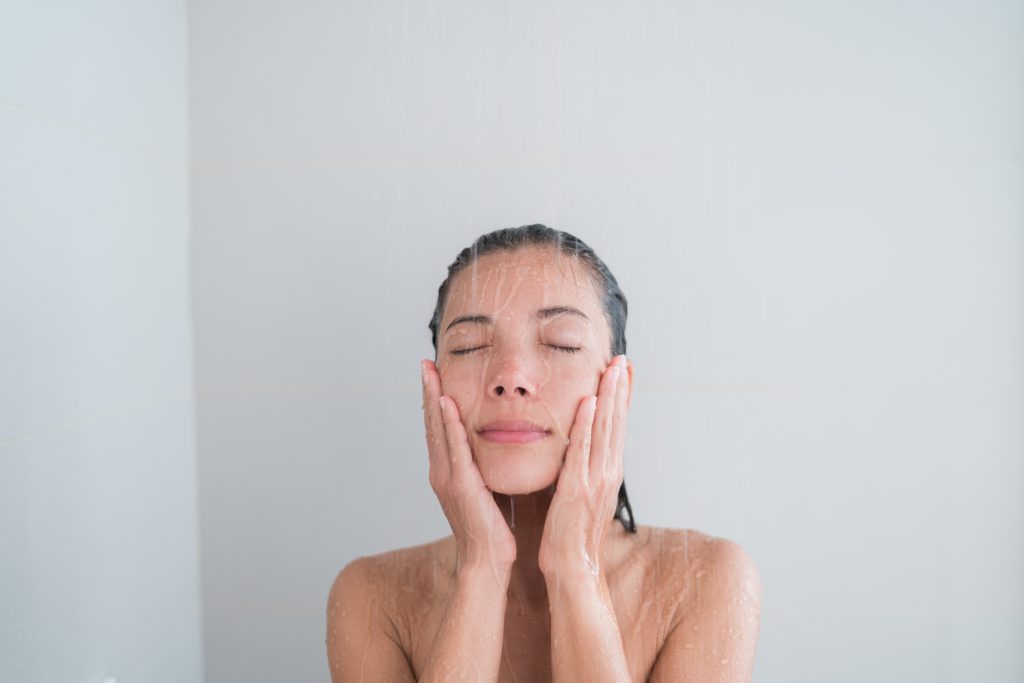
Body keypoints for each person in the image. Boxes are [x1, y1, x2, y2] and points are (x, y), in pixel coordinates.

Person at [326, 224, 762, 682]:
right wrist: (481, 566)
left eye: (561, 343)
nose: (510, 376)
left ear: (618, 389)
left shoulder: (706, 578)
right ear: (432, 387)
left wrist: (576, 566)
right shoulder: (372, 596)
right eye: (469, 346)